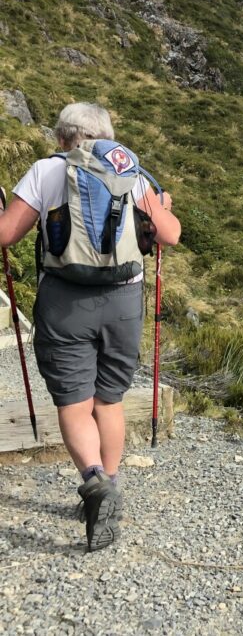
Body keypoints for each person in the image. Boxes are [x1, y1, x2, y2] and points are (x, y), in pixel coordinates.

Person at [0, 103, 181, 551]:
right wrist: (161, 208)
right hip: (123, 302)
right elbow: (170, 235)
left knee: (75, 403)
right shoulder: (130, 173)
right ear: (106, 137)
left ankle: (94, 481)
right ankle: (111, 483)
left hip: (65, 301)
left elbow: (6, 236)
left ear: (63, 137)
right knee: (110, 399)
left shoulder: (46, 171)